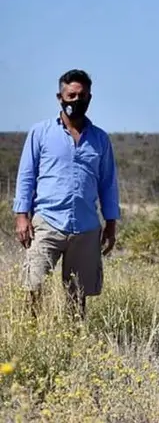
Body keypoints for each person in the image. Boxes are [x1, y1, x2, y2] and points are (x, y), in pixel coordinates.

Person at [13, 68, 120, 320]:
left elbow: (108, 184)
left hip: (85, 226)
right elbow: (26, 175)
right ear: (60, 97)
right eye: (71, 95)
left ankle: (73, 340)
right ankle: (30, 336)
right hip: (47, 222)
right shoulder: (41, 133)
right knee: (33, 286)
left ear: (89, 98)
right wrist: (21, 215)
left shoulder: (100, 139)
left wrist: (111, 223)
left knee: (77, 294)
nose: (76, 100)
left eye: (81, 96)